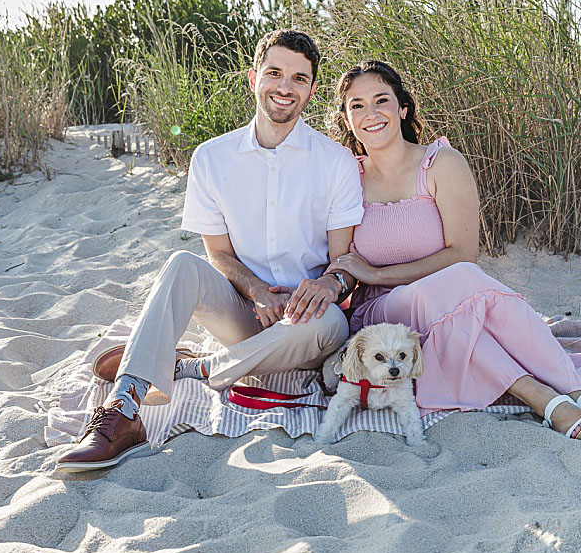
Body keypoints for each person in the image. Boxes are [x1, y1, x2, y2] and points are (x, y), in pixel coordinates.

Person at [56, 30, 365, 472]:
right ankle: (124, 410)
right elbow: (217, 254)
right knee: (183, 264)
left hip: (309, 326)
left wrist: (324, 287)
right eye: (274, 73)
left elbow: (343, 263)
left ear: (312, 90)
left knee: (328, 318)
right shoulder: (212, 157)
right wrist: (258, 292)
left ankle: (189, 369)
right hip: (244, 314)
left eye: (299, 78)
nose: (285, 87)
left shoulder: (335, 162)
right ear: (253, 77)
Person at [326, 61, 581, 439]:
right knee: (462, 286)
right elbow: (340, 262)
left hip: (454, 296)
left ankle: (566, 397)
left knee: (461, 307)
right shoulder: (346, 178)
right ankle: (557, 395)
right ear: (346, 119)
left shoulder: (440, 163)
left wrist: (376, 270)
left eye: (381, 100)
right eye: (357, 105)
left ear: (402, 108)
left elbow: (462, 253)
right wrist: (364, 281)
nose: (371, 114)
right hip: (385, 311)